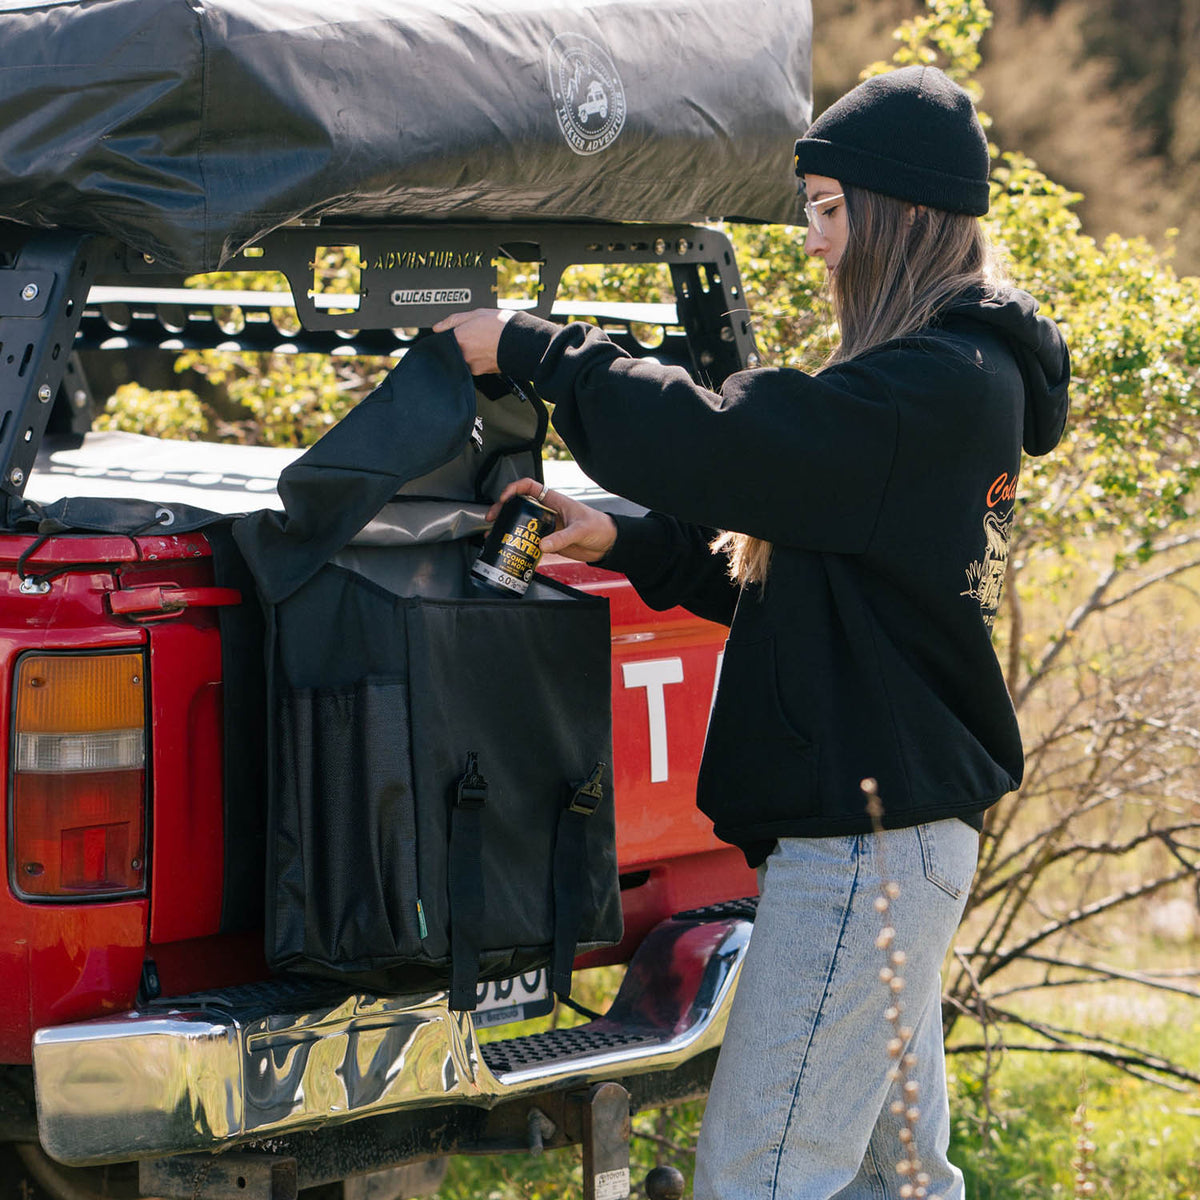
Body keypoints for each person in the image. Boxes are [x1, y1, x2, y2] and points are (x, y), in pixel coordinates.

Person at [436, 65, 1070, 1200]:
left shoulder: (938, 384)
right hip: (895, 838)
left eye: (830, 212)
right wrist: (619, 540)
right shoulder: (938, 380)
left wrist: (536, 351)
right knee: (895, 1183)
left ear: (904, 213)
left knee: (763, 1176)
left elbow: (731, 444)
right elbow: (806, 585)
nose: (817, 244)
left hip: (866, 851)